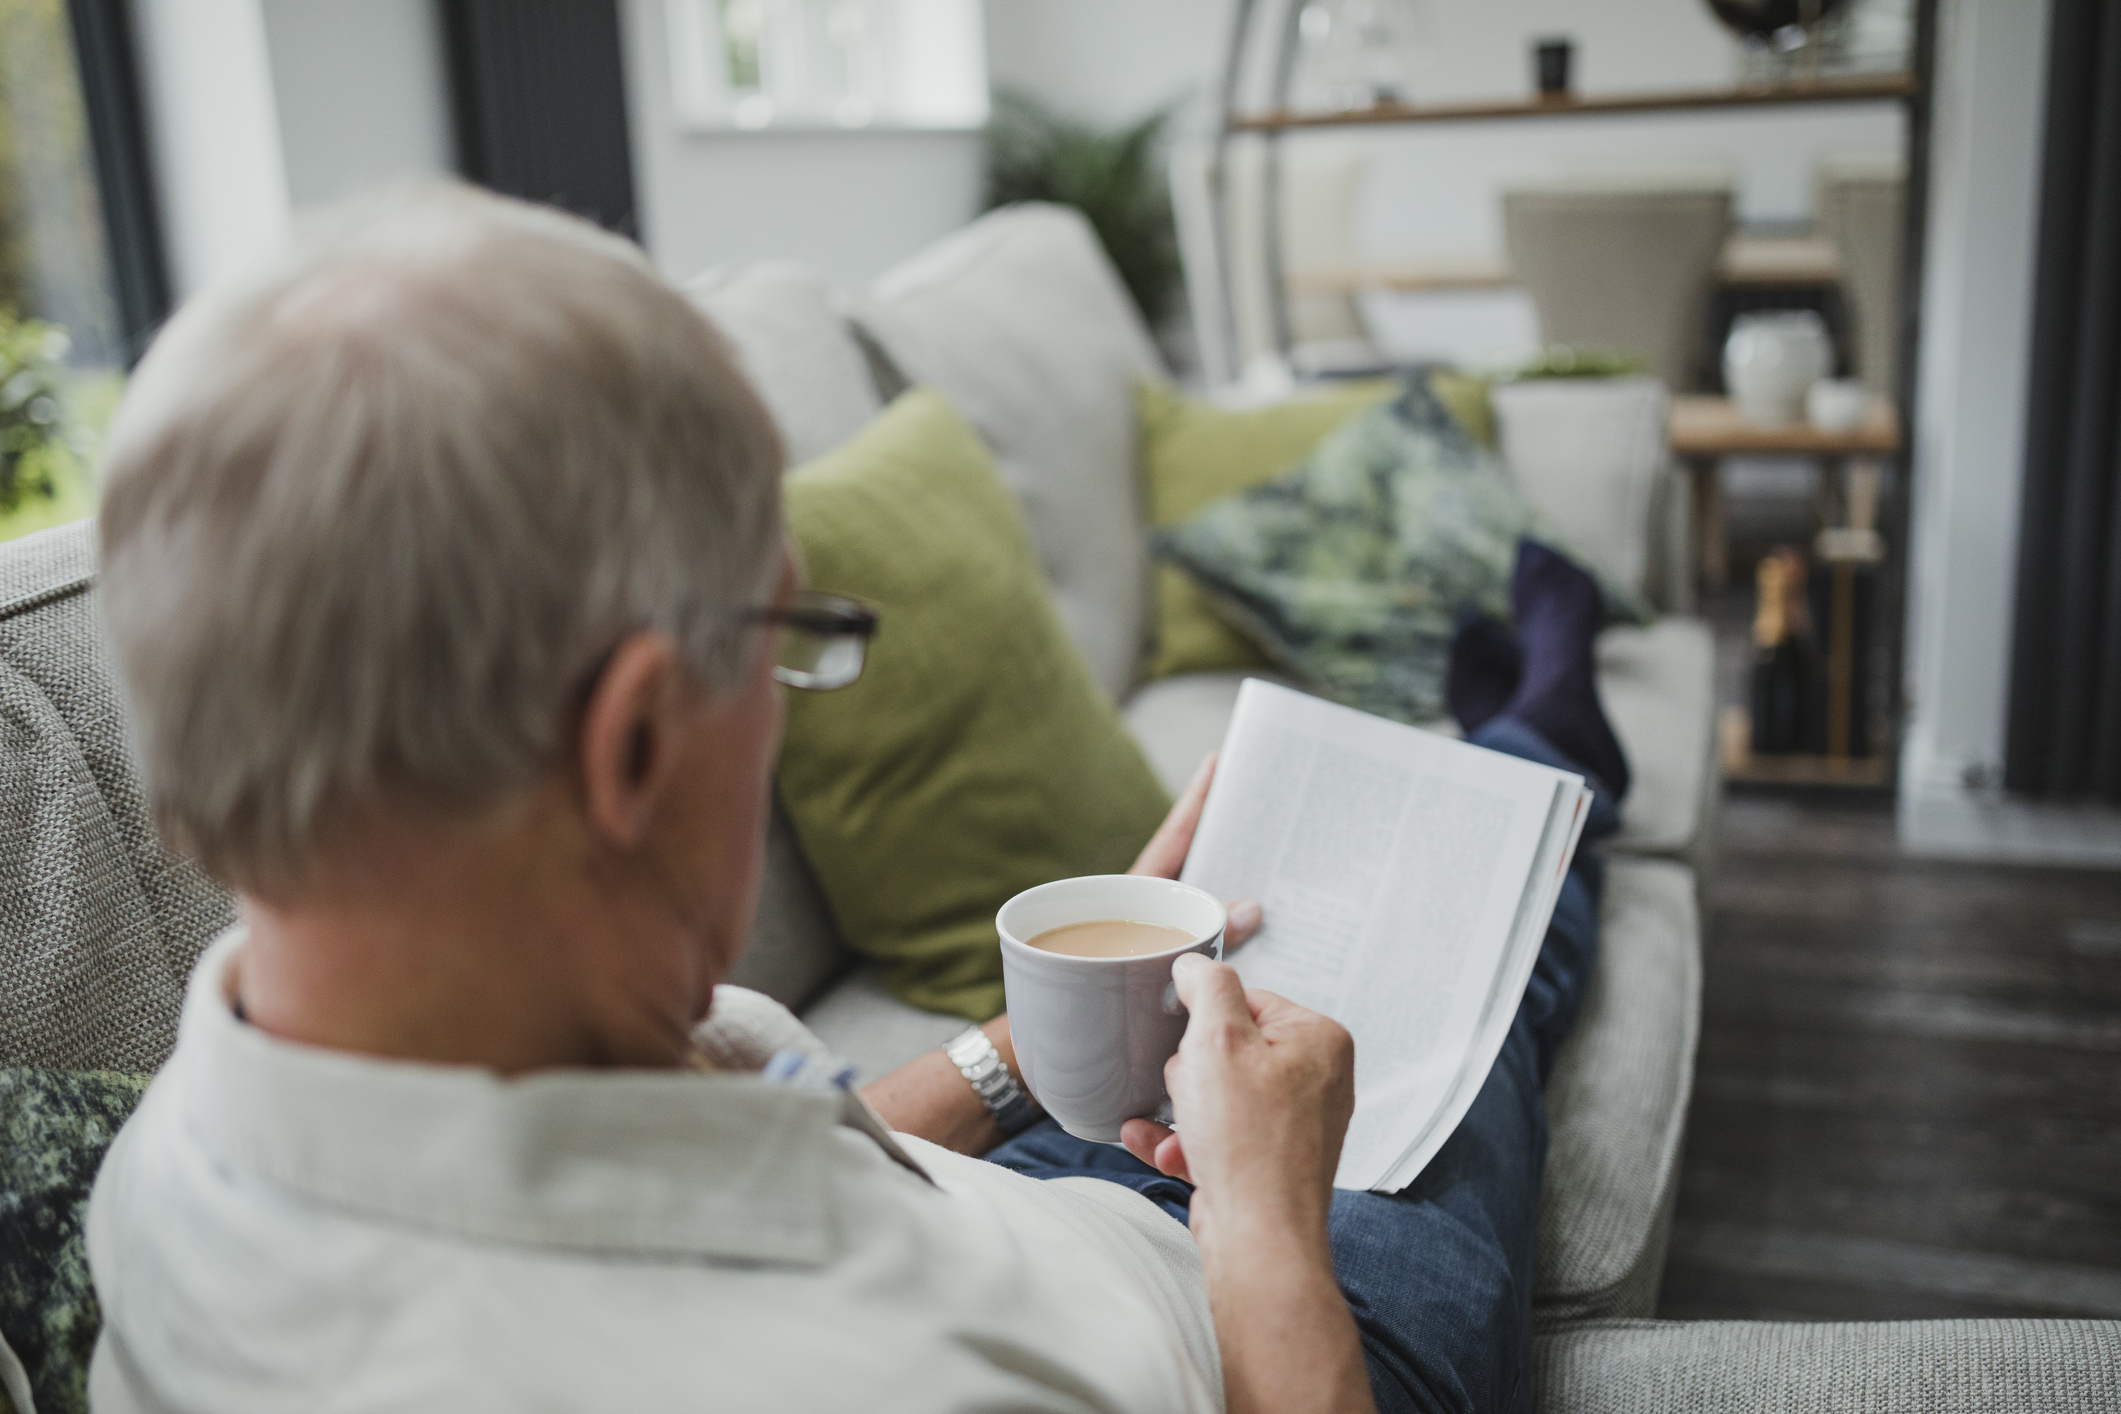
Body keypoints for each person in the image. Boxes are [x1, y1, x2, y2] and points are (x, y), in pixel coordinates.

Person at [86, 183, 1618, 1414]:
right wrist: (1271, 1227)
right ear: (629, 747)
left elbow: (715, 1194)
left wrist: (1040, 1040)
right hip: (1264, 1324)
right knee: (1488, 913)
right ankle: (1552, 724)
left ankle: (1533, 729)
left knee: (1337, 904)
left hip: (1006, 1208)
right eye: (785, 635)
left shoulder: (194, 1134)